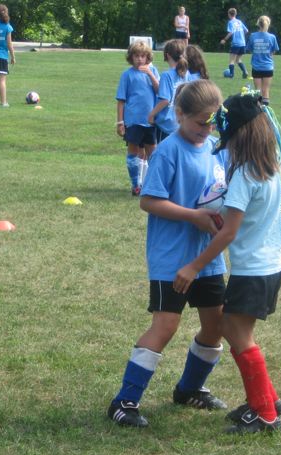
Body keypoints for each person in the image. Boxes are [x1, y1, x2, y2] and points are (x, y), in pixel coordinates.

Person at [108, 80, 229, 428]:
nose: (206, 129)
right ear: (179, 115)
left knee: (216, 325)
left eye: (212, 122)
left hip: (207, 258)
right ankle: (124, 401)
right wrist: (195, 216)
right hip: (171, 257)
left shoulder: (215, 149)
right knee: (166, 325)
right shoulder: (168, 151)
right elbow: (148, 200)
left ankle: (190, 388)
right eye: (200, 122)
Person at [174, 92, 281, 434]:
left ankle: (266, 414)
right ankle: (267, 398)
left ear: (239, 137)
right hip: (272, 265)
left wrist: (193, 266)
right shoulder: (273, 167)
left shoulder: (244, 176)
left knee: (238, 335)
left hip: (252, 270)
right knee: (235, 330)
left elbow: (228, 234)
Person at [116, 41, 159, 196]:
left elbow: (160, 90)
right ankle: (136, 184)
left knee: (152, 154)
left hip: (151, 120)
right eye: (136, 56)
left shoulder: (153, 71)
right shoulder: (127, 75)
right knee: (133, 152)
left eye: (143, 56)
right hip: (133, 121)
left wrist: (150, 74)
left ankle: (149, 184)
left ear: (148, 57)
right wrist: (120, 122)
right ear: (131, 57)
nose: (140, 59)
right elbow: (121, 100)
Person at [148, 40, 199, 143]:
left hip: (166, 124)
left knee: (166, 153)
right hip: (181, 122)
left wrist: (151, 114)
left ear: (167, 55)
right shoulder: (186, 73)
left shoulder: (166, 75)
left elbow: (165, 100)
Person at [247, 16, 279, 105]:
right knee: (266, 90)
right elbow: (274, 50)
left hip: (256, 67)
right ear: (268, 24)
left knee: (257, 91)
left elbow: (250, 49)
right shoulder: (272, 37)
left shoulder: (253, 36)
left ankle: (258, 111)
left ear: (258, 24)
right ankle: (265, 110)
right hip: (268, 67)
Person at [220, 8, 249, 79]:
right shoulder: (239, 21)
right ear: (235, 14)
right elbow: (246, 31)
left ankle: (231, 75)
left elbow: (231, 32)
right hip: (242, 43)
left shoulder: (230, 22)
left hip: (236, 43)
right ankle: (245, 71)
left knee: (232, 60)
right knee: (238, 59)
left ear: (229, 14)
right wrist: (240, 35)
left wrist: (224, 39)